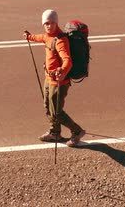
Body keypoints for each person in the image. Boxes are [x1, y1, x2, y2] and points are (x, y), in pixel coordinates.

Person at [23, 9, 86, 147]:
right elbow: (40, 37)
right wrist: (29, 37)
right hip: (48, 79)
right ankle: (55, 132)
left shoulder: (60, 40)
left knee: (57, 112)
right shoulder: (47, 36)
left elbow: (67, 60)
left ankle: (77, 131)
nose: (49, 26)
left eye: (52, 23)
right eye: (46, 23)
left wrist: (62, 71)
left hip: (59, 82)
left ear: (56, 23)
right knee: (47, 106)